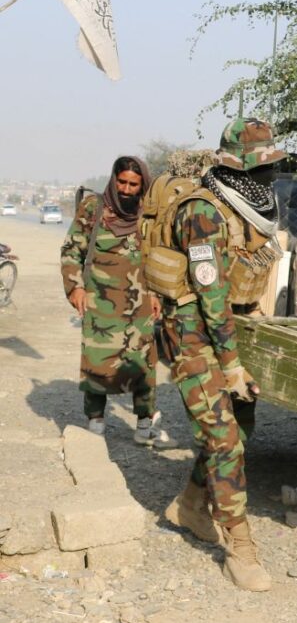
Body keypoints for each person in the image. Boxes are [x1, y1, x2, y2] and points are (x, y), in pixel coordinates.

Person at [151, 118, 288, 590]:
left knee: (240, 425)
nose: (271, 177)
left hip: (231, 329)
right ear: (239, 168)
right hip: (193, 335)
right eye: (263, 167)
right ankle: (241, 547)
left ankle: (190, 503)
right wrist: (229, 365)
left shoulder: (248, 208)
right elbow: (210, 295)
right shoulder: (203, 212)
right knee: (225, 439)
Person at [60, 156, 174, 448]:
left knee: (144, 362)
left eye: (133, 184)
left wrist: (157, 294)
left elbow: (159, 257)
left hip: (140, 303)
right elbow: (72, 250)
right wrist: (76, 289)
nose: (126, 189)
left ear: (142, 185)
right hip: (100, 300)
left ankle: (144, 425)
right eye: (121, 182)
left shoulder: (149, 214)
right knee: (97, 359)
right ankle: (95, 421)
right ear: (113, 180)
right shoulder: (94, 208)